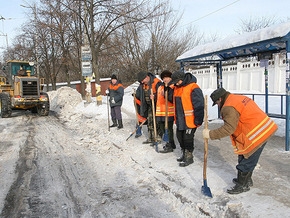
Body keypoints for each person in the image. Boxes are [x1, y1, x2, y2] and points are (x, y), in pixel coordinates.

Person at [203, 88, 278, 194]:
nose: (218, 106)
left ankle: (242, 185)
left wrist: (210, 134)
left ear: (220, 98)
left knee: (247, 160)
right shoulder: (237, 97)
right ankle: (246, 180)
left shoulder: (228, 107)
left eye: (217, 103)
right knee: (244, 155)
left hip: (257, 133)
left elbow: (229, 128)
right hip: (262, 127)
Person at [171, 70, 204, 167]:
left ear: (182, 79)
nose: (176, 83)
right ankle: (184, 153)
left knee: (187, 139)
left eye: (177, 81)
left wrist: (198, 120)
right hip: (180, 119)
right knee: (179, 137)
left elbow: (199, 105)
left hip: (190, 120)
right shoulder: (177, 88)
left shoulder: (193, 87)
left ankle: (189, 157)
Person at [135, 71, 162, 144]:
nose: (142, 82)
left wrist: (155, 97)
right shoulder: (142, 84)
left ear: (147, 77)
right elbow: (139, 93)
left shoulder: (157, 83)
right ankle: (151, 137)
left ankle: (157, 137)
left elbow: (162, 94)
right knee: (150, 121)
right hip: (149, 106)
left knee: (156, 122)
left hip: (157, 106)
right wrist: (135, 95)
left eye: (143, 80)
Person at [156, 70, 176, 153]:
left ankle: (170, 144)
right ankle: (168, 142)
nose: (165, 79)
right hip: (160, 112)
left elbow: (172, 99)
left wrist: (167, 94)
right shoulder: (160, 87)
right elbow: (159, 98)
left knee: (169, 129)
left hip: (169, 112)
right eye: (164, 78)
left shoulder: (172, 86)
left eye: (167, 78)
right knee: (162, 128)